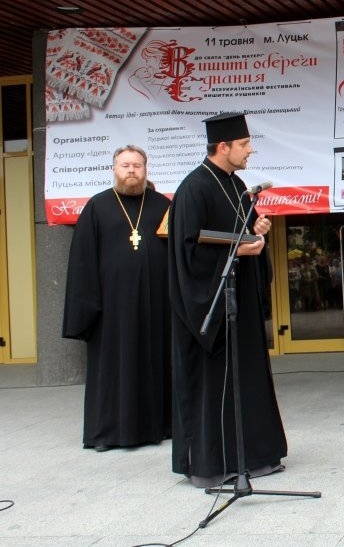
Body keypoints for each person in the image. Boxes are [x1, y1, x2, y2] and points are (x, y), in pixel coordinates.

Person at [168, 112, 286, 487]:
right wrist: (237, 250)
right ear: (223, 146)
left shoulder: (237, 185)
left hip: (239, 305)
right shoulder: (193, 189)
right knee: (214, 385)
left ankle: (255, 456)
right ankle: (213, 465)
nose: (250, 151)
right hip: (211, 309)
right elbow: (188, 255)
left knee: (246, 379)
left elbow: (243, 233)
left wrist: (257, 230)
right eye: (244, 144)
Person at [62, 145, 172, 452]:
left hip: (156, 306)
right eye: (125, 165)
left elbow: (179, 253)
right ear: (114, 169)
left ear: (146, 169)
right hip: (111, 309)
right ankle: (109, 432)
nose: (132, 170)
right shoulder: (97, 207)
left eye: (137, 165)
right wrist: (87, 309)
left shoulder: (163, 206)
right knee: (114, 369)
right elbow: (82, 261)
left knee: (155, 363)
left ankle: (161, 426)